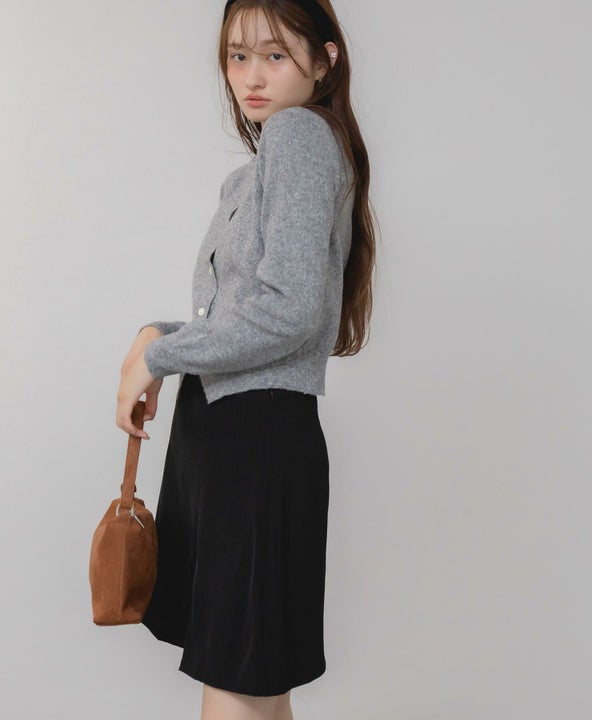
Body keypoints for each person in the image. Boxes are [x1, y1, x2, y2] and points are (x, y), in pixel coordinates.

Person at [115, 1, 377, 718]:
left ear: (324, 61)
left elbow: (289, 310)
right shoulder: (257, 171)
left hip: (253, 442)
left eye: (275, 55)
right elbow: (245, 311)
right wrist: (157, 335)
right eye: (237, 56)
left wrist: (161, 355)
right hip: (229, 437)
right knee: (252, 686)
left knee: (236, 686)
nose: (251, 77)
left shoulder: (299, 135)